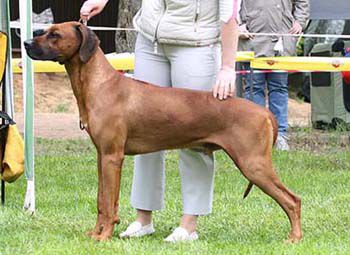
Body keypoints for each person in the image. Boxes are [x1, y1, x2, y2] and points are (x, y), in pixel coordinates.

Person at [80, 0, 240, 242]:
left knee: (195, 138)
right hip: (150, 43)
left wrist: (228, 67)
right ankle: (143, 219)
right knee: (141, 132)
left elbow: (230, 14)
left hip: (196, 46)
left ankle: (189, 224)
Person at [238, 0, 309, 150]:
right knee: (253, 88)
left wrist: (299, 22)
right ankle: (254, 136)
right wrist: (239, 25)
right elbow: (231, 5)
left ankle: (280, 136)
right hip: (252, 41)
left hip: (282, 43)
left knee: (279, 88)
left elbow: (303, 2)